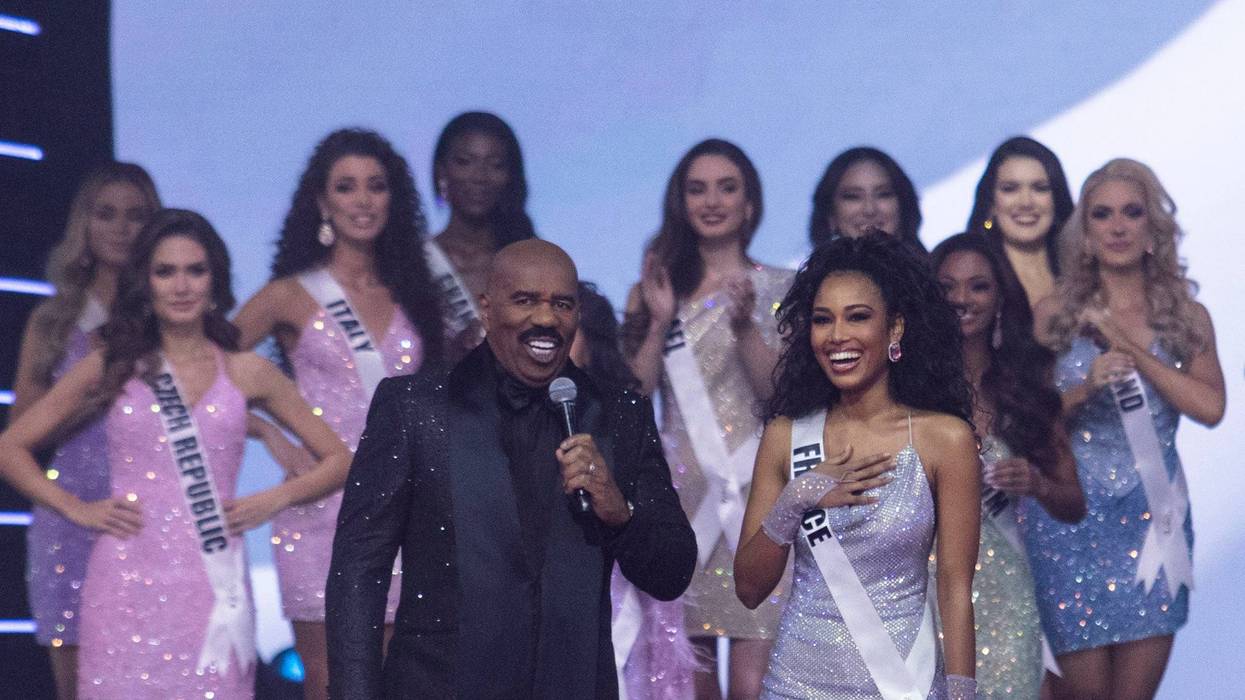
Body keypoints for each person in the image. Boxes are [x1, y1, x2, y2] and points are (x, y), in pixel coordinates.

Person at [0, 209, 353, 699]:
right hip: (123, 581)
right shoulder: (114, 365)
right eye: (165, 271)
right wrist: (74, 507)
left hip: (212, 585)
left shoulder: (246, 371)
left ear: (215, 280)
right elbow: (10, 446)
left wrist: (273, 499)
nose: (181, 285)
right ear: (145, 282)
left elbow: (340, 458)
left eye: (195, 270)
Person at [326, 239, 697, 698]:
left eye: (562, 304)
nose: (545, 319)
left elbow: (672, 573)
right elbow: (359, 572)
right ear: (486, 308)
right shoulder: (414, 409)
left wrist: (620, 514)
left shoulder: (620, 415)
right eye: (525, 301)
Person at [232, 128, 444, 699]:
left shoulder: (414, 291)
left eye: (376, 186)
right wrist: (266, 432)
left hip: (406, 509)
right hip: (320, 509)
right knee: (329, 687)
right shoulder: (287, 295)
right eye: (346, 187)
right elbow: (202, 372)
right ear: (322, 202)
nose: (363, 200)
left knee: (401, 682)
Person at [734, 233, 980, 699]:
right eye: (823, 320)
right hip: (796, 686)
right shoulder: (787, 436)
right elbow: (747, 588)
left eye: (858, 317)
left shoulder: (944, 438)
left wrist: (963, 693)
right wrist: (795, 501)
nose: (837, 336)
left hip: (903, 684)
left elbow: (954, 585)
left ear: (895, 329)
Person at [1030, 159, 1224, 699]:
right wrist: (1086, 387)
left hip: (1154, 520)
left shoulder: (1187, 316)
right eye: (1102, 215)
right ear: (1085, 234)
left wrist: (1130, 346)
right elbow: (1027, 423)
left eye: (1132, 213)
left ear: (1152, 229)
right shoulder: (1053, 315)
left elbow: (1211, 408)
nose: (1117, 227)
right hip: (1069, 523)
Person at [623, 138, 793, 698]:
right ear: (680, 201)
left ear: (750, 203)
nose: (712, 200)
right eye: (697, 188)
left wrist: (745, 327)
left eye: (727, 187)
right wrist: (658, 321)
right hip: (683, 505)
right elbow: (633, 395)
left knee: (755, 685)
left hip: (758, 500)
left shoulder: (784, 289)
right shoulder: (653, 291)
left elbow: (780, 397)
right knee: (689, 680)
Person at [9, 161, 160, 699]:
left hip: (154, 520)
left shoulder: (170, 311)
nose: (121, 228)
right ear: (85, 225)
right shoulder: (53, 320)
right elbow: (20, 434)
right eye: (106, 214)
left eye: (136, 216)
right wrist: (93, 391)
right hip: (71, 523)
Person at [932, 233, 1086, 697]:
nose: (962, 299)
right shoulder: (907, 391)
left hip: (1005, 599)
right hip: (920, 594)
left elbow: (1073, 503)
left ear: (1000, 298)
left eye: (978, 286)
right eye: (947, 287)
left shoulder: (1025, 390)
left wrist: (1036, 482)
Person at [572, 281, 696, 699]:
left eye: (566, 329)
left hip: (626, 599)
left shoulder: (625, 422)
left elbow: (666, 543)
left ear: (593, 343)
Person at [428, 111, 538, 359]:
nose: (480, 177)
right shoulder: (415, 262)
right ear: (441, 171)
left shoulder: (531, 262)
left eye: (495, 164)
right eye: (465, 161)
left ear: (511, 176)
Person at [965, 136, 1076, 307]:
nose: (1026, 202)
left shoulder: (1087, 273)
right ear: (991, 202)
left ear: (1056, 199)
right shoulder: (970, 280)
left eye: (1040, 188)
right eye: (1010, 189)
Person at [808, 146, 925, 253]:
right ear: (830, 213)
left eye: (883, 194)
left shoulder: (938, 274)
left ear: (904, 205)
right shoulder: (805, 276)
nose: (870, 210)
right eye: (853, 196)